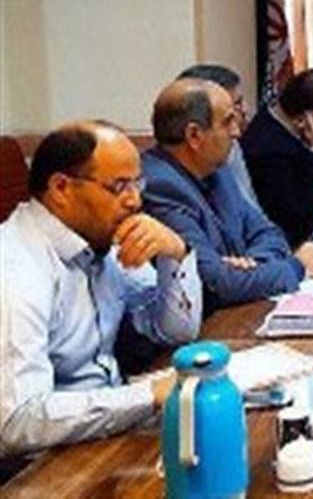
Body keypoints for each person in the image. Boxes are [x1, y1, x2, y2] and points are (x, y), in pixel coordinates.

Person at [0, 122, 200, 457]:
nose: (135, 200)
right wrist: (147, 395)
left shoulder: (101, 240)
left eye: (137, 183)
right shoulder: (15, 270)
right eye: (119, 186)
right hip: (42, 465)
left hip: (104, 435)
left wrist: (175, 255)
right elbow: (16, 422)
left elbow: (173, 331)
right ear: (61, 188)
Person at [142, 78, 313, 312]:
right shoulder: (160, 187)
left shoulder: (216, 168)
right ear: (194, 135)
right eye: (228, 122)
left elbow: (269, 232)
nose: (237, 132)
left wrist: (251, 267)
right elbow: (214, 286)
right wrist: (296, 266)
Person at [241, 69, 313, 248]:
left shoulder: (296, 132)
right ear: (306, 118)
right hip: (302, 245)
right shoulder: (266, 149)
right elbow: (303, 213)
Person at [178, 64, 260, 210]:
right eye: (236, 104)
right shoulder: (169, 183)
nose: (245, 110)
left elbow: (251, 211)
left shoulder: (232, 144)